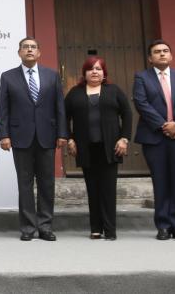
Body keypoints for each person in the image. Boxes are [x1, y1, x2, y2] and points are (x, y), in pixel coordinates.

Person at [0, 37, 67, 241]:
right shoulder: (8, 77)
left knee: (47, 183)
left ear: (39, 53)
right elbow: (4, 109)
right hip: (20, 138)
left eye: (33, 47)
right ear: (19, 52)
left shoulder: (52, 76)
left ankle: (45, 226)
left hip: (47, 136)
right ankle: (28, 228)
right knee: (25, 184)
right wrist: (4, 135)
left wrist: (62, 133)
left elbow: (59, 107)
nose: (29, 50)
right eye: (25, 47)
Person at [65, 56, 132, 240]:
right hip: (86, 149)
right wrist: (70, 139)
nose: (95, 72)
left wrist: (124, 139)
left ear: (104, 73)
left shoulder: (114, 91)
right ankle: (96, 228)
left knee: (108, 190)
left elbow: (127, 114)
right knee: (92, 189)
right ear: (84, 73)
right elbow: (64, 117)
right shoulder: (75, 93)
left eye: (99, 69)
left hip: (110, 148)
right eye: (90, 69)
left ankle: (110, 230)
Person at [133, 39, 175, 241]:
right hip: (154, 137)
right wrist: (165, 126)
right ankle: (163, 225)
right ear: (150, 58)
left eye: (165, 51)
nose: (162, 54)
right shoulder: (141, 77)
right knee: (161, 181)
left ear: (171, 56)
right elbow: (141, 103)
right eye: (157, 52)